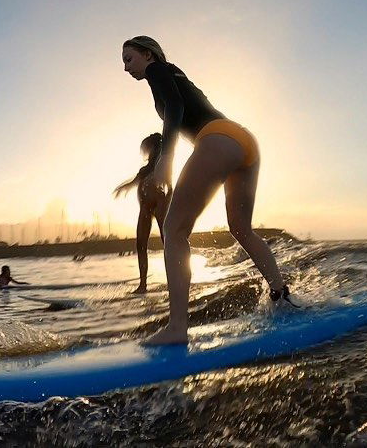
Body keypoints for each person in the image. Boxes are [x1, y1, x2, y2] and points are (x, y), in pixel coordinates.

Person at [121, 36, 294, 345]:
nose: (126, 67)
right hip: (242, 139)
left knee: (174, 229)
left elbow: (174, 107)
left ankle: (177, 328)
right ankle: (282, 297)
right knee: (241, 228)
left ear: (148, 55)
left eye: (129, 59)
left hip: (216, 137)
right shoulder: (174, 73)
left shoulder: (158, 70)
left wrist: (166, 158)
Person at [113, 132, 172, 294]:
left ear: (153, 147)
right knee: (140, 244)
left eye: (146, 148)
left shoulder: (162, 162)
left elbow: (169, 186)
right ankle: (143, 285)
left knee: (167, 242)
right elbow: (134, 182)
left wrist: (166, 201)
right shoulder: (144, 169)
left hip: (159, 203)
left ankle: (174, 279)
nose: (144, 151)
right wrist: (122, 187)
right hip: (145, 207)